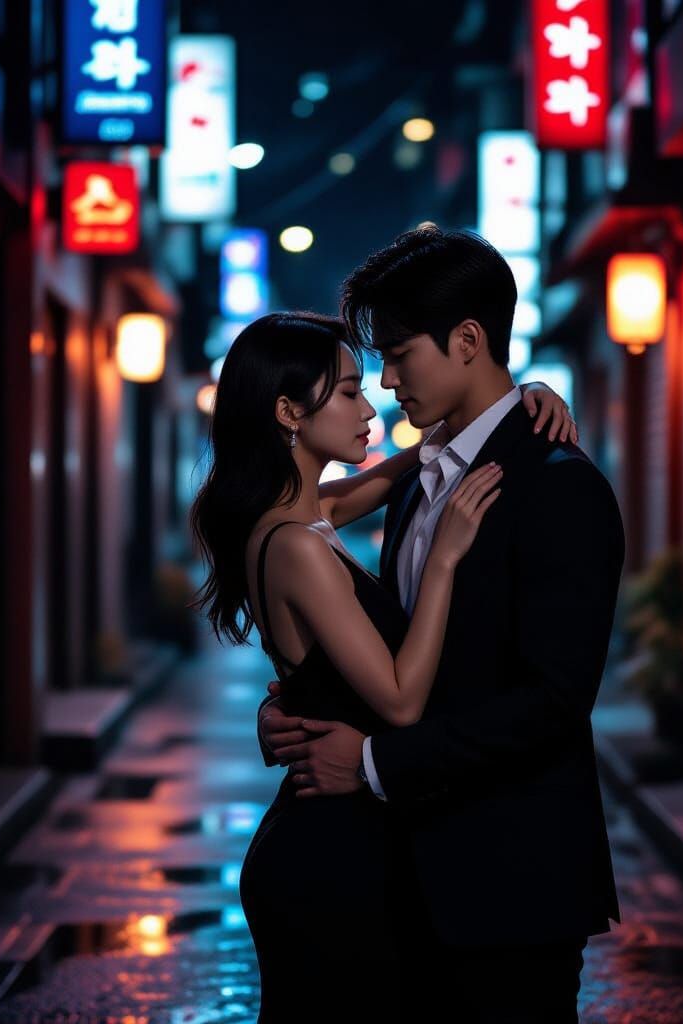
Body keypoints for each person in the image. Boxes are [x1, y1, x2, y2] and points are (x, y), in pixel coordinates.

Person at [257, 227, 625, 1023]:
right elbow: (387, 638)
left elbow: (554, 700)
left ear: (467, 340)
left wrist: (375, 761)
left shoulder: (558, 487)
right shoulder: (424, 477)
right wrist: (300, 696)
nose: (387, 381)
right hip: (394, 883)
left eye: (398, 354)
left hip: (510, 886)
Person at [188, 308, 573, 1023]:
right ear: (287, 413)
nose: (373, 407)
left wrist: (523, 401)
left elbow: (410, 467)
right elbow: (398, 701)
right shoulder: (298, 546)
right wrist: (446, 560)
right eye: (347, 392)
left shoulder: (306, 516)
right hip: (326, 854)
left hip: (342, 840)